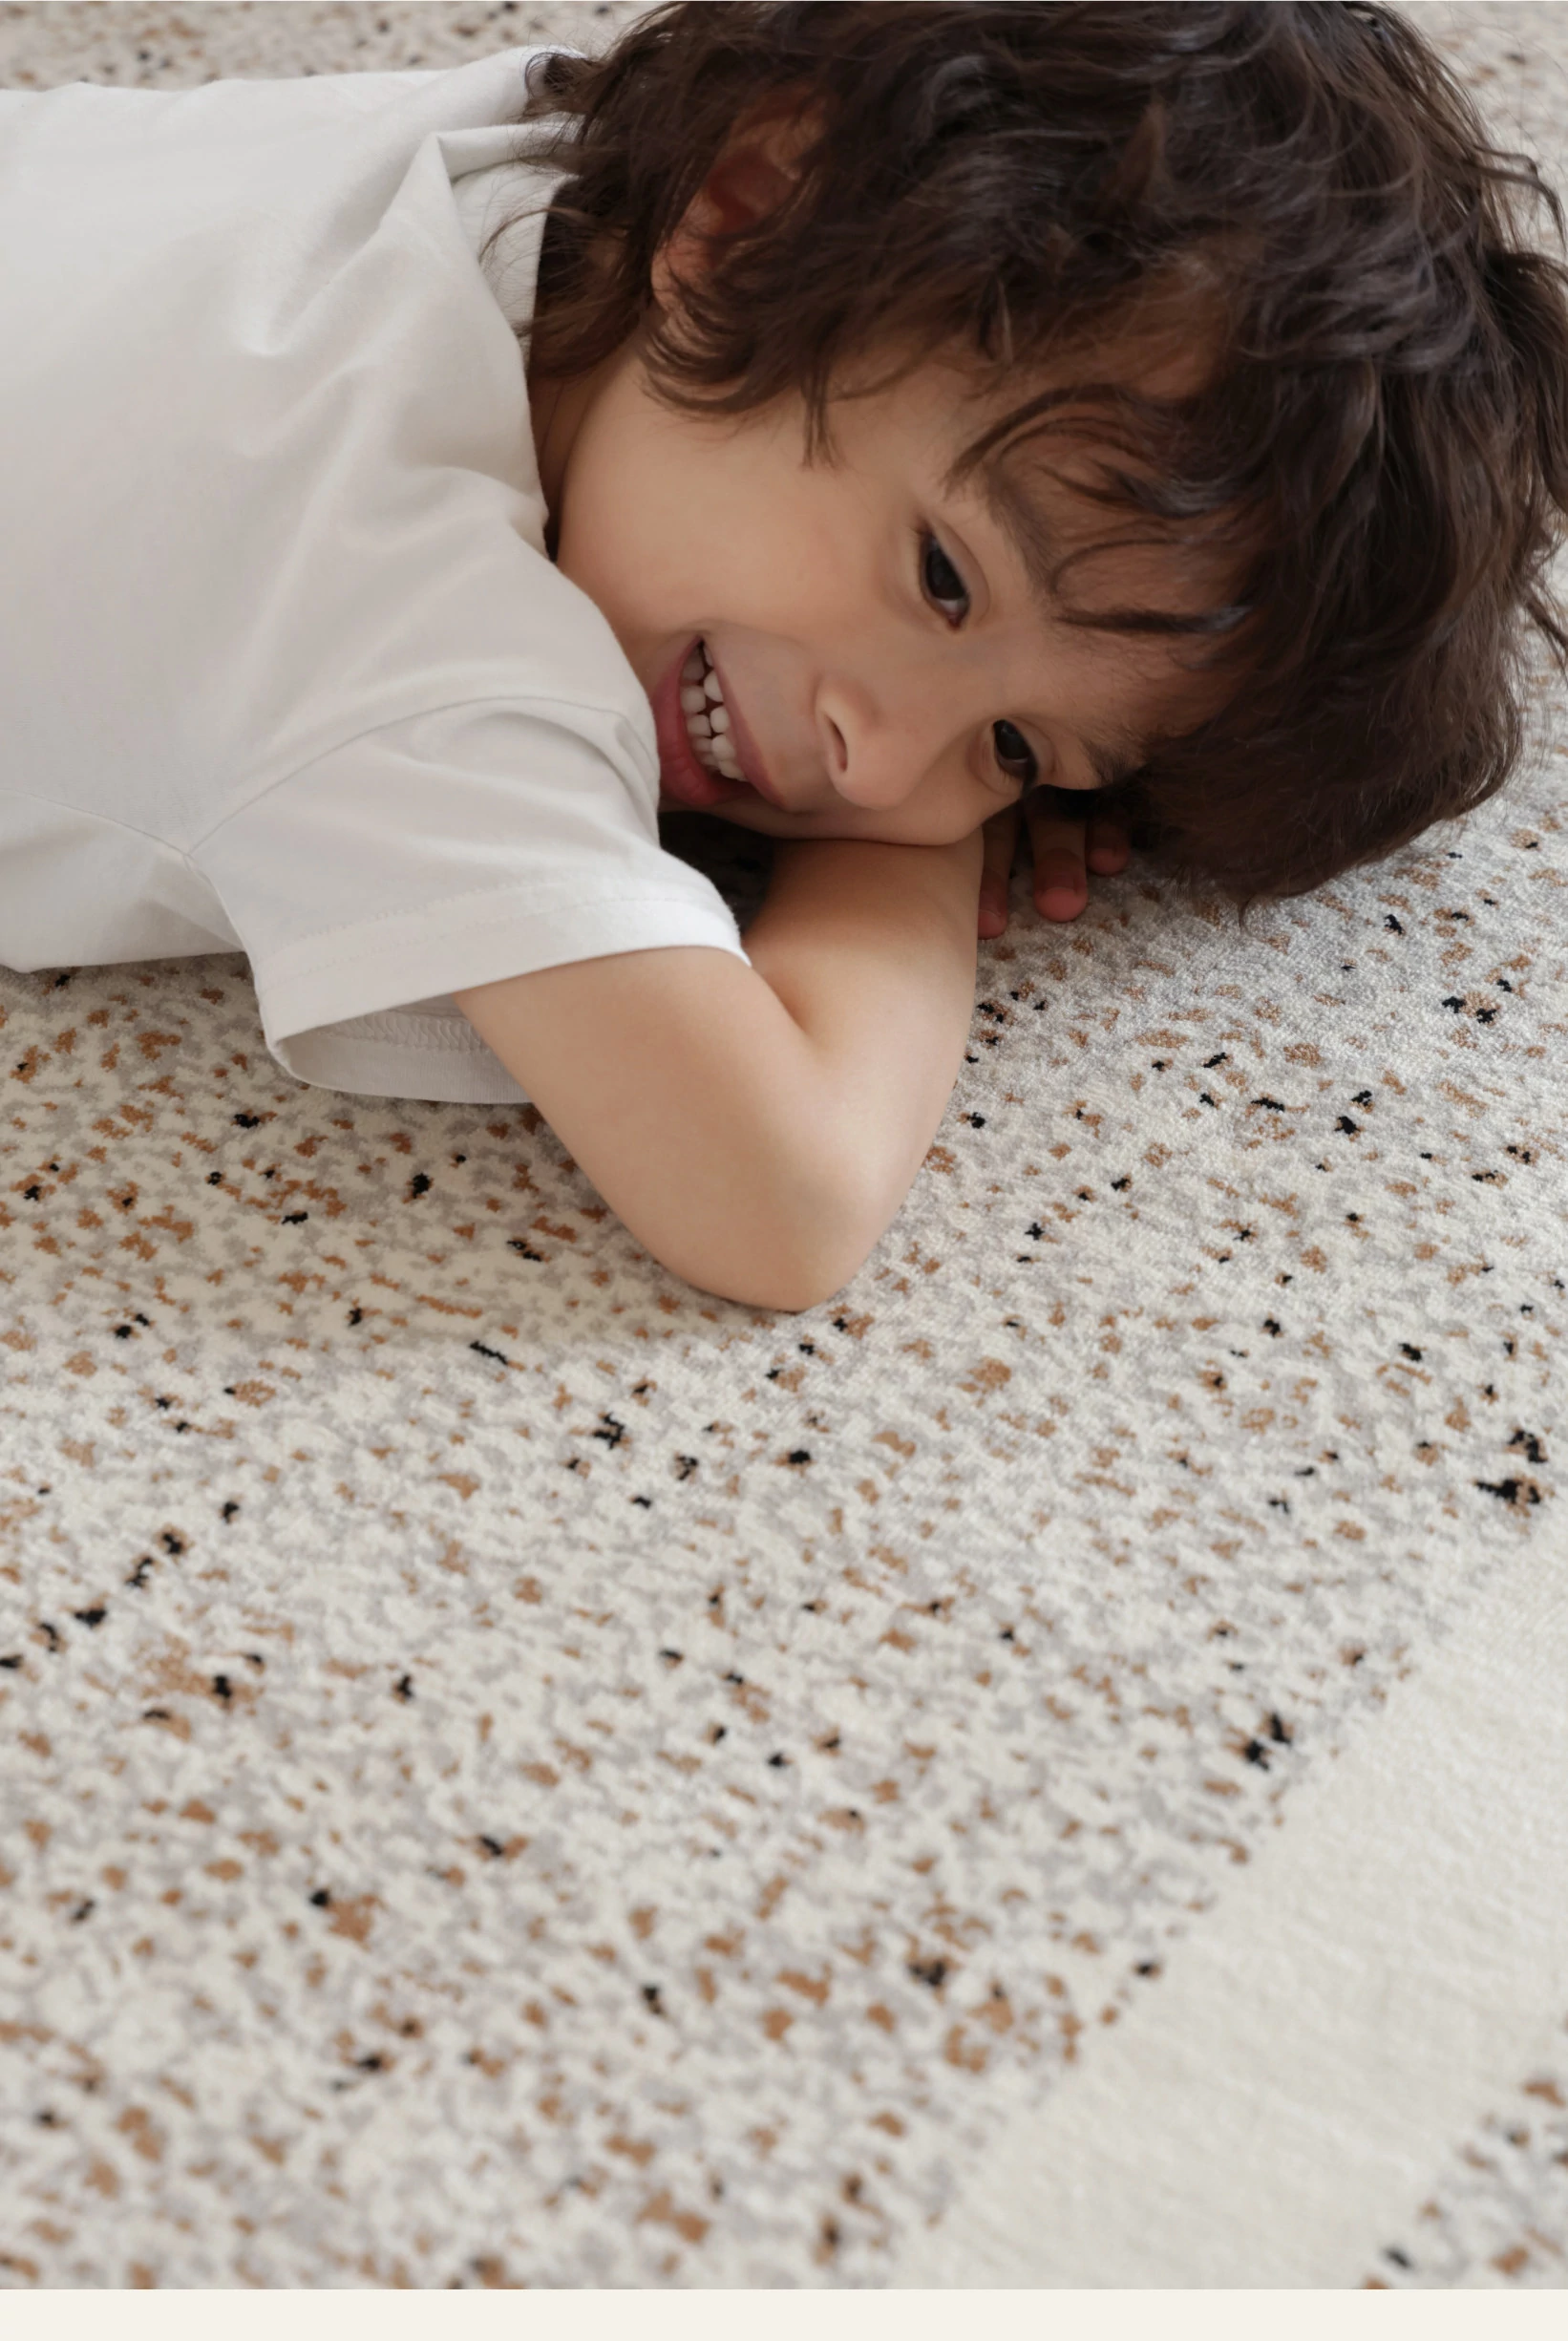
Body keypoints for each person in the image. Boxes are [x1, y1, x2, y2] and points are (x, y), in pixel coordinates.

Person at [2, 5, 1565, 1310]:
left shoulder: (532, 153)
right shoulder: (398, 625)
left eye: (1015, 753)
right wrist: (914, 867)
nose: (875, 765)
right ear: (750, 225)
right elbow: (780, 1201)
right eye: (943, 580)